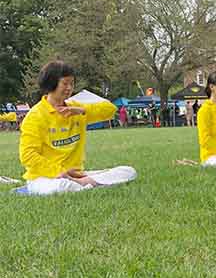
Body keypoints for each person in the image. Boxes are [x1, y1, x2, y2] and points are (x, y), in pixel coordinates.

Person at [18, 61, 137, 195]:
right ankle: (88, 185)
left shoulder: (75, 109)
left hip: (78, 175)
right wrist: (61, 172)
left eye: (72, 83)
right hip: (45, 178)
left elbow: (110, 110)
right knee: (61, 186)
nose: (69, 88)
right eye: (65, 83)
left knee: (128, 171)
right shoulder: (35, 116)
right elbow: (28, 156)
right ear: (51, 83)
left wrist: (82, 110)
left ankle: (83, 184)